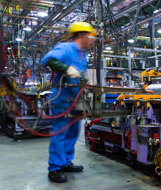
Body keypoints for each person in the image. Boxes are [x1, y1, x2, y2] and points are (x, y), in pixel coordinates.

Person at [41, 22, 94, 183]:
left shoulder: (82, 54)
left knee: (73, 132)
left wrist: (84, 79)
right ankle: (55, 168)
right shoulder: (65, 48)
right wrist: (68, 70)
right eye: (90, 36)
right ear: (81, 35)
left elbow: (79, 74)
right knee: (60, 133)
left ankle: (65, 162)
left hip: (76, 99)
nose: (92, 40)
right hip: (62, 98)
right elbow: (47, 60)